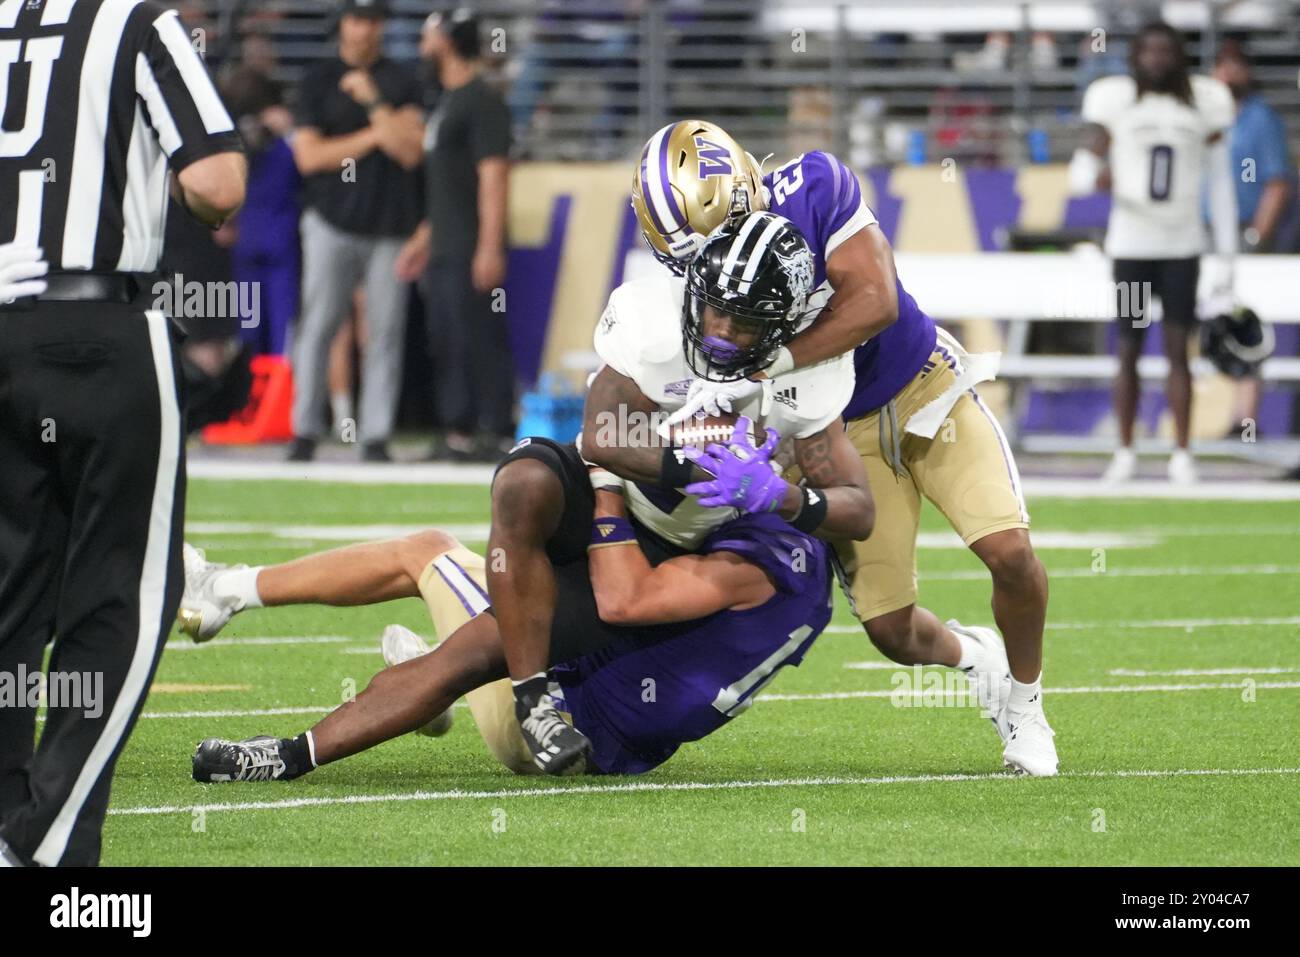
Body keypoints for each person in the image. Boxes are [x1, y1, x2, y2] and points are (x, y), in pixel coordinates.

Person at [639, 121, 1057, 775]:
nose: (717, 262)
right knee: (893, 632)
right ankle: (979, 660)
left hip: (922, 386)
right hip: (830, 433)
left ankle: (1028, 705)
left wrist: (773, 362)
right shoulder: (689, 287)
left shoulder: (813, 187)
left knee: (1009, 550)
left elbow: (877, 300)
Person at [496, 212, 892, 774]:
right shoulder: (653, 332)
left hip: (668, 555)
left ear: (781, 328)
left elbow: (859, 510)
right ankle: (440, 575)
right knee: (468, 648)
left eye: (745, 322)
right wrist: (684, 469)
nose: (722, 334)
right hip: (619, 524)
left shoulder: (805, 381)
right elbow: (600, 440)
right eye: (716, 311)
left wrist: (783, 497)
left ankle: (444, 579)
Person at [0, 0, 245, 866]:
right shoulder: (136, 24)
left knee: (8, 595)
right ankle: (48, 842)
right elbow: (216, 180)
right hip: (99, 332)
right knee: (119, 600)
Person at [181, 469, 836, 781]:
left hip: (551, 718)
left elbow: (623, 597)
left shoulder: (761, 559)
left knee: (431, 556)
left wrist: (608, 486)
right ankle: (442, 692)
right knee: (478, 609)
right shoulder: (814, 580)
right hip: (613, 746)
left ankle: (226, 593)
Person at [1072, 21, 1239, 484]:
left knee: (1178, 351)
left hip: (1182, 247)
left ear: (1179, 56)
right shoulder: (1117, 101)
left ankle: (1182, 453)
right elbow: (1082, 171)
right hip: (1131, 247)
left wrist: (1228, 256)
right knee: (1128, 346)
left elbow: (1222, 181)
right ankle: (1125, 450)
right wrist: (1093, 169)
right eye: (1150, 51)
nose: (1158, 60)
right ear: (1136, 56)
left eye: (1167, 51)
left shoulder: (1204, 104)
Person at [286, 0, 424, 463]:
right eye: (356, 19)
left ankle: (376, 436)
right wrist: (377, 132)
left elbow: (410, 152)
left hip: (391, 226)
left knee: (384, 333)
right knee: (319, 325)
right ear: (343, 23)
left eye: (372, 20)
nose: (364, 29)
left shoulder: (403, 80)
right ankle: (304, 431)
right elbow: (309, 158)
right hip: (330, 221)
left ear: (382, 26)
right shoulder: (318, 79)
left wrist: (371, 102)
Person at [395, 8, 516, 462]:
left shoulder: (481, 102)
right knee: (447, 339)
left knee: (479, 337)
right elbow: (450, 185)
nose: (422, 48)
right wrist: (422, 240)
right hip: (446, 244)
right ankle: (458, 431)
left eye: (427, 37)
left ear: (445, 41)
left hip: (470, 244)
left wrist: (488, 246)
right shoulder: (447, 101)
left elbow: (493, 176)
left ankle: (496, 429)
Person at [1210, 42, 1298, 438]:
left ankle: (1245, 419)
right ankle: (1220, 414)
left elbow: (1275, 182)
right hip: (1207, 231)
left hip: (1245, 232)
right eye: (1222, 67)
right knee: (1213, 321)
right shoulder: (1209, 116)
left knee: (1249, 323)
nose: (1227, 75)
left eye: (1235, 66)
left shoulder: (1259, 119)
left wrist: (1256, 235)